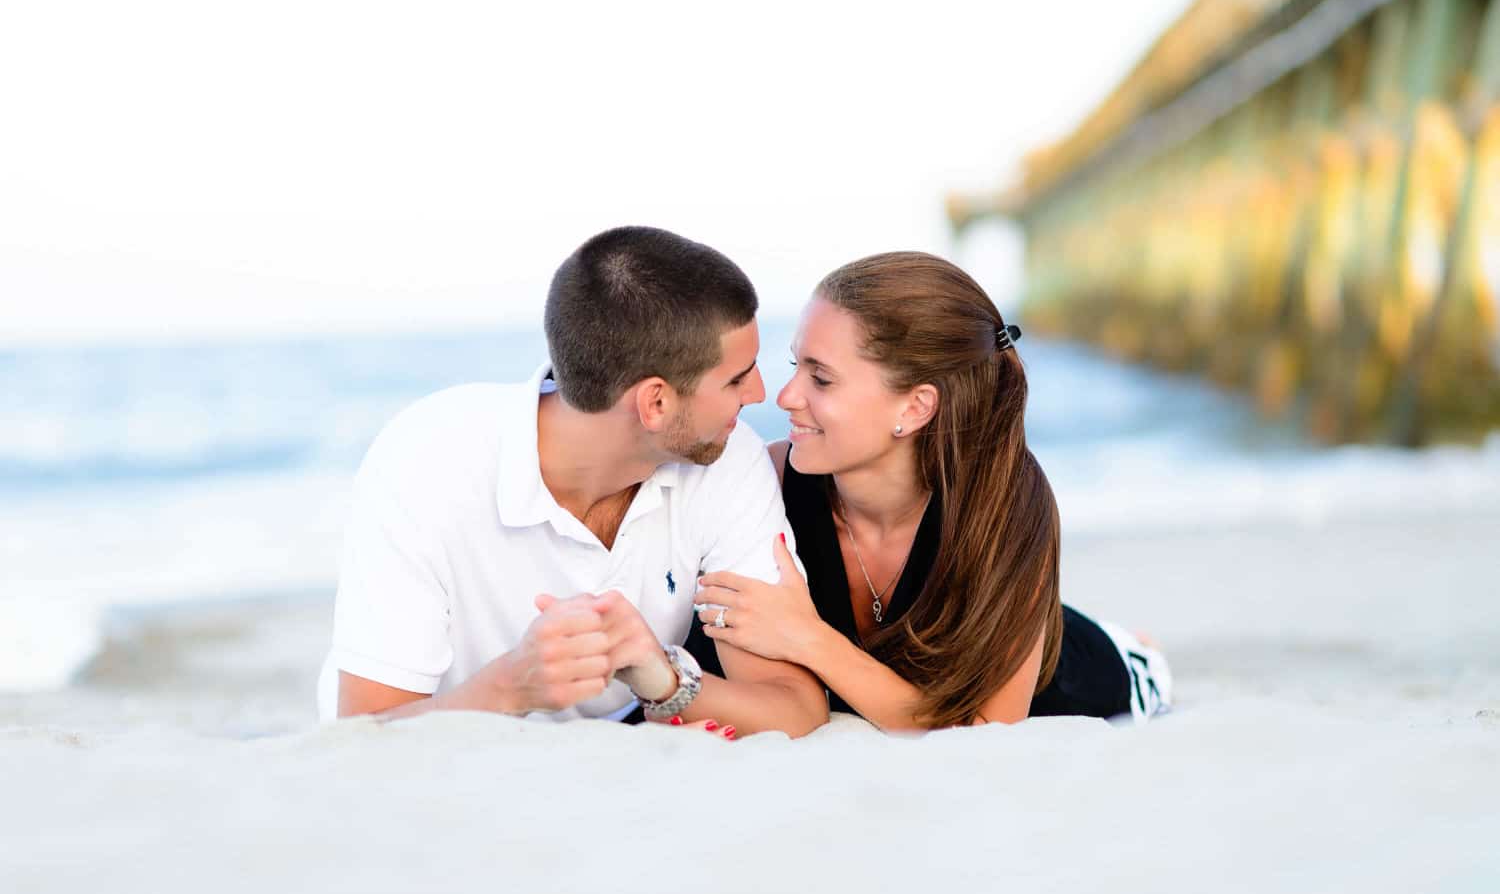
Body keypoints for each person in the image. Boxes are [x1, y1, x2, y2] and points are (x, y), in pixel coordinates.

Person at [319, 226, 828, 738]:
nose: (762, 393)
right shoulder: (427, 459)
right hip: (455, 758)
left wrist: (663, 677)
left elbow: (797, 712)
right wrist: (513, 687)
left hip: (619, 750)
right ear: (655, 403)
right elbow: (365, 740)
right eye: (736, 379)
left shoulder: (727, 458)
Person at [687, 252, 1173, 730]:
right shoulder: (764, 484)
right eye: (795, 365)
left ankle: (1134, 645)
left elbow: (985, 729)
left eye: (821, 378)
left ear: (917, 407)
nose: (785, 396)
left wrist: (809, 638)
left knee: (1117, 659)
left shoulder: (1006, 504)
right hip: (928, 684)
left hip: (1071, 675)